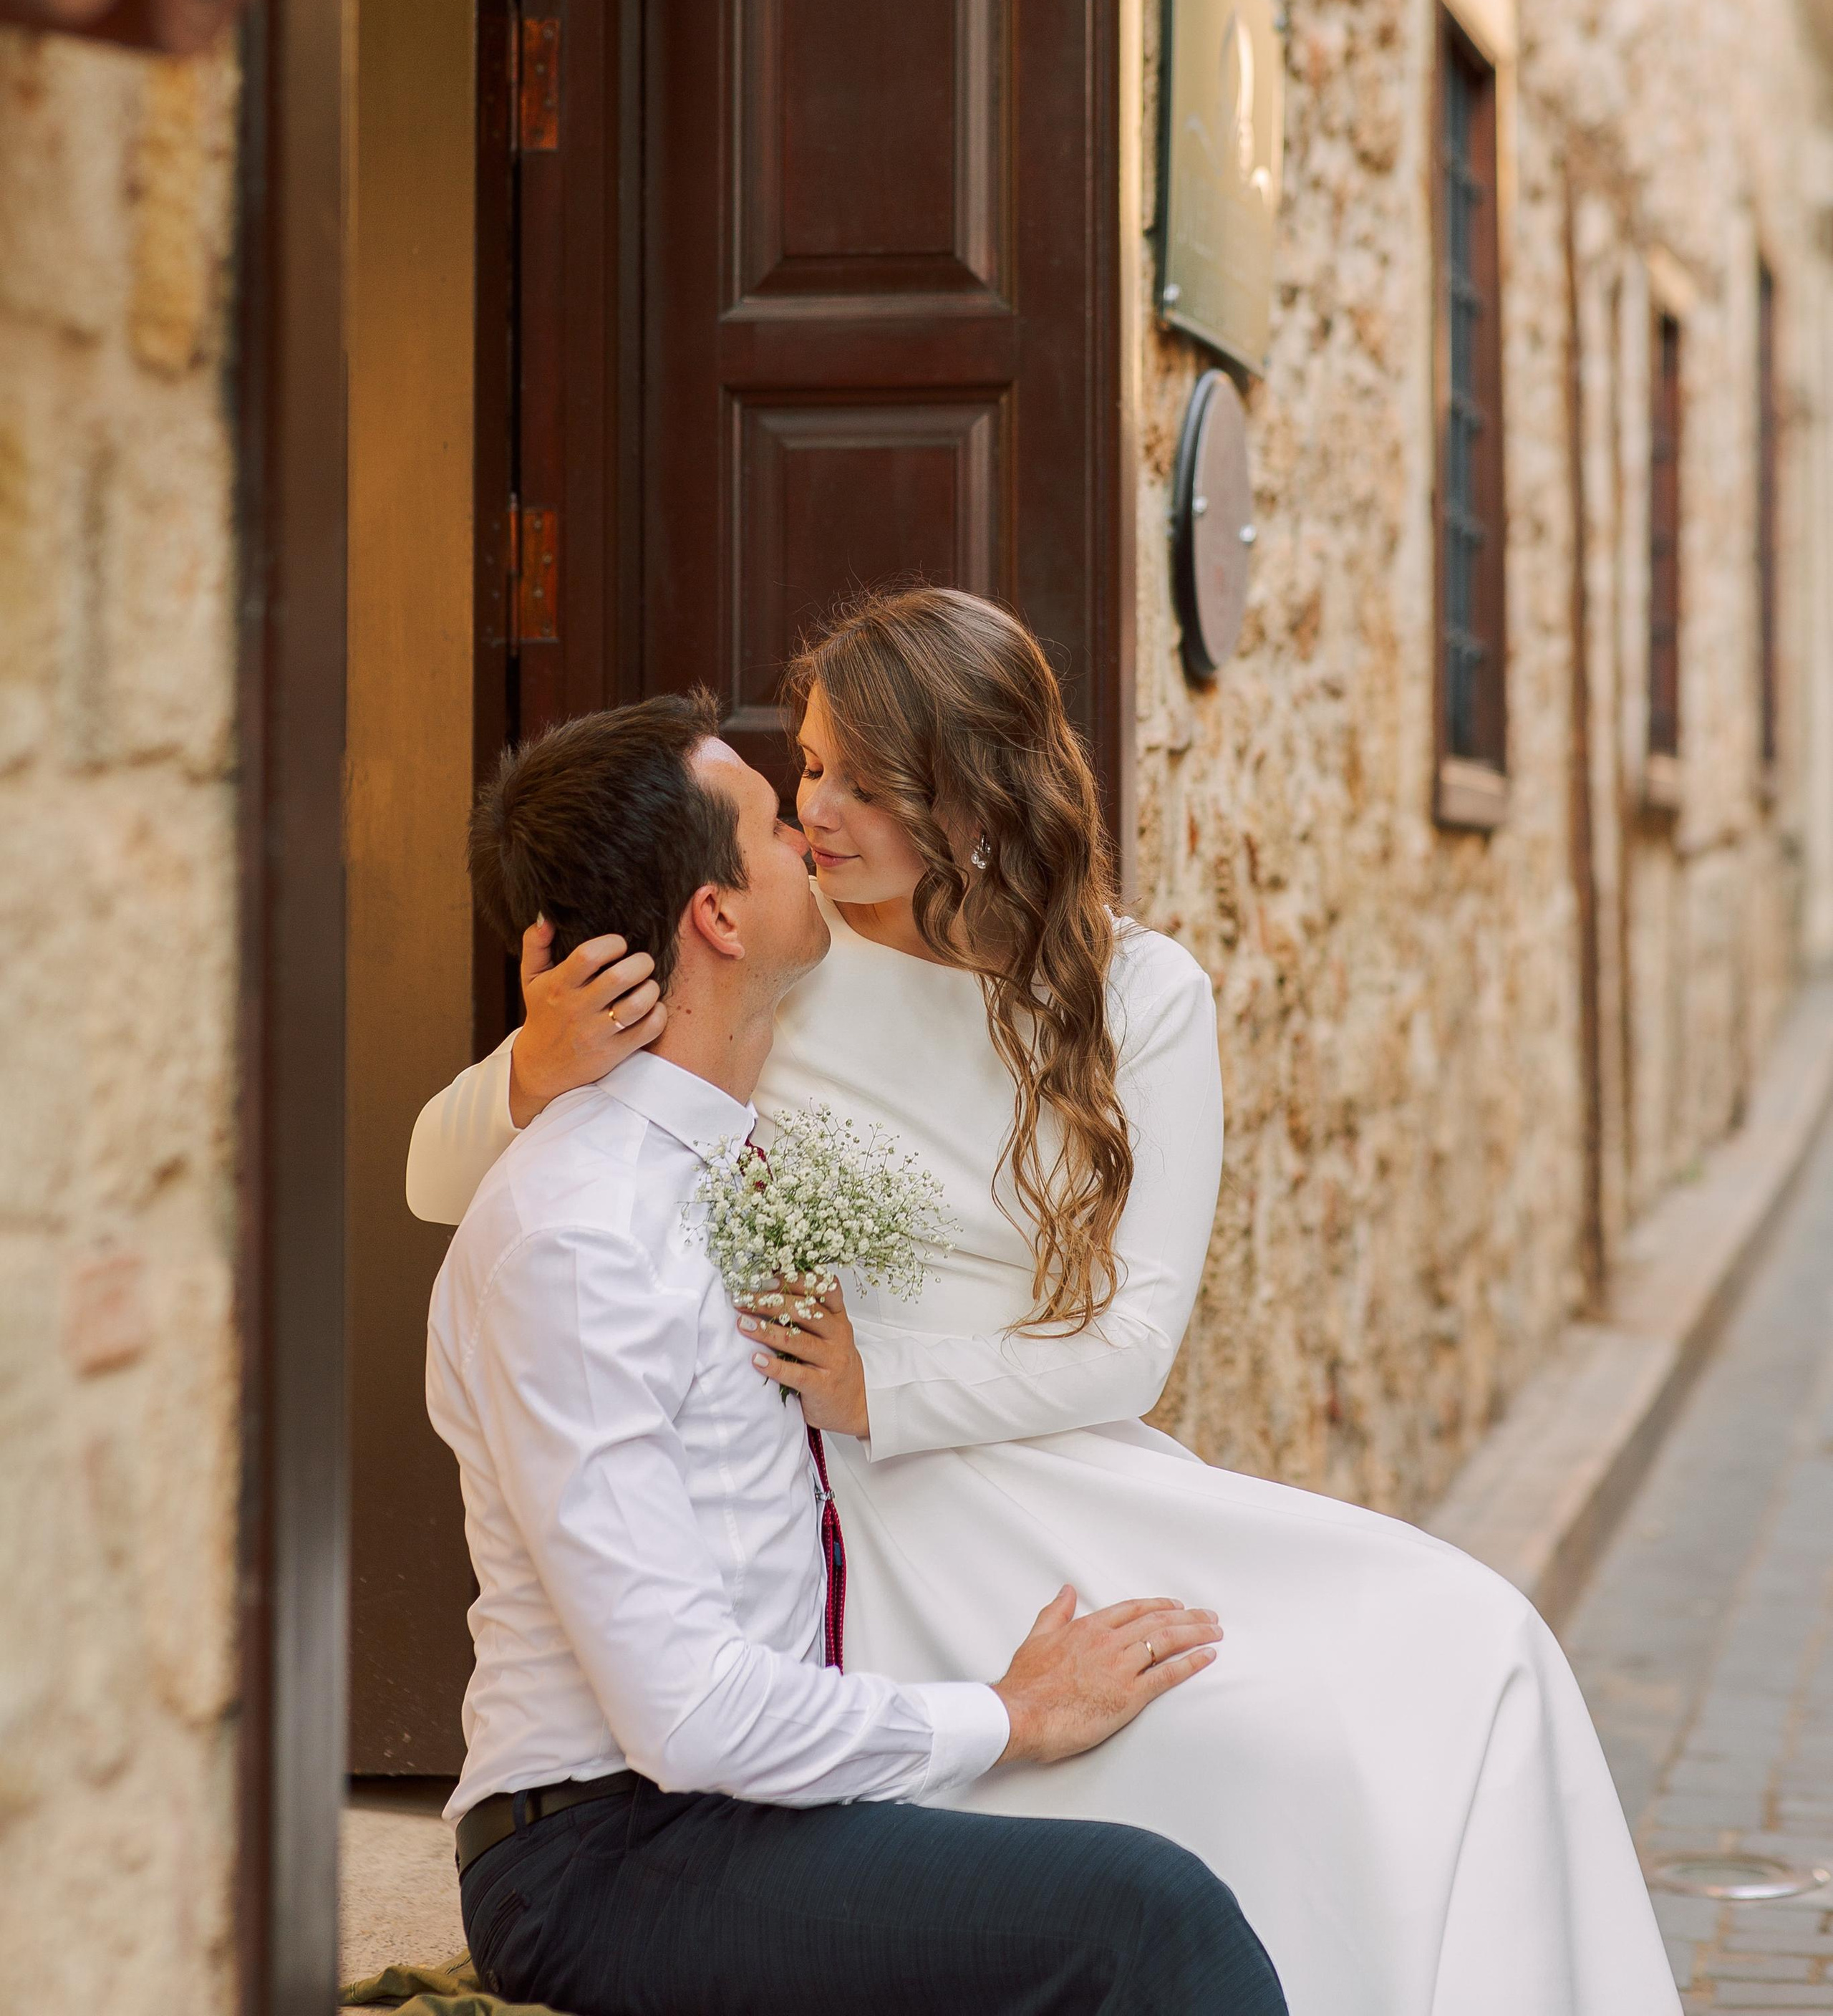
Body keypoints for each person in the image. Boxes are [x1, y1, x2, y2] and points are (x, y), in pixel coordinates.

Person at [412, 588, 1683, 2016]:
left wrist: (883, 1386)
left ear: (971, 803)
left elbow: (1132, 1345)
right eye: (807, 770)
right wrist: (539, 1061)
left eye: (860, 785)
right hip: (845, 1517)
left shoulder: (1138, 996)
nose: (814, 814)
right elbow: (453, 1180)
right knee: (1243, 1751)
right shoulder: (773, 968)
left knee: (1472, 1647)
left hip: (1033, 1460)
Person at [430, 690, 1288, 2016]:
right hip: (612, 1845)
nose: (811, 835)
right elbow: (687, 1715)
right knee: (1145, 1916)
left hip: (737, 1806)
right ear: (718, 917)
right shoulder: (582, 1238)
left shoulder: (723, 1160)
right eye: (775, 823)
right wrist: (1009, 1713)